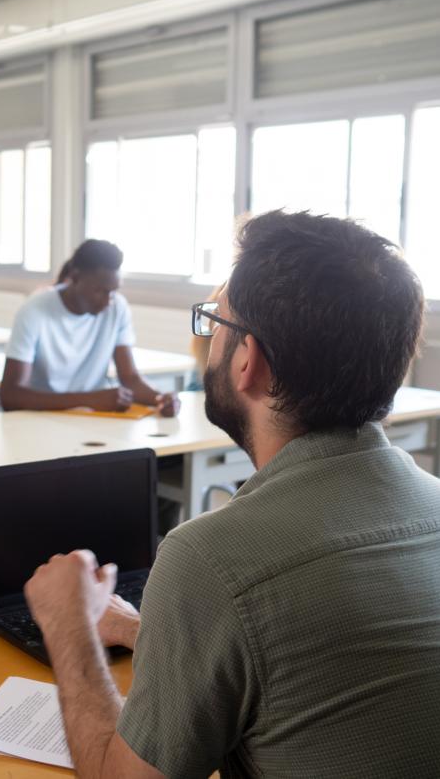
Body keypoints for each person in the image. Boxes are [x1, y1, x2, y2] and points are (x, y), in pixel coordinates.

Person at [23, 211, 440, 778]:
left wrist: (70, 628)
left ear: (248, 361)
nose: (210, 338)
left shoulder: (211, 560)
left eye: (215, 321)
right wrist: (141, 630)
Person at [0, 239, 179, 416]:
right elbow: (11, 396)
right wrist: (87, 400)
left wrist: (160, 399)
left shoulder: (117, 307)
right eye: (100, 291)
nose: (108, 301)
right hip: (43, 418)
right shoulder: (34, 310)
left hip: (94, 418)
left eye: (113, 291)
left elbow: (130, 378)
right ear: (75, 278)